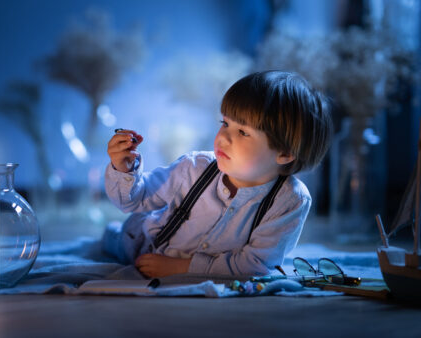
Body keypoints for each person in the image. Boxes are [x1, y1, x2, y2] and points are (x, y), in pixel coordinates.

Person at [103, 70, 332, 278]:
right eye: (225, 123)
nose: (223, 137)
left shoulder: (290, 201)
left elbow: (255, 264)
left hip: (176, 263)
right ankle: (110, 233)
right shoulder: (194, 167)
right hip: (140, 241)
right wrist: (123, 167)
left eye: (242, 131)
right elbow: (137, 199)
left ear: (284, 153)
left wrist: (180, 267)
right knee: (112, 239)